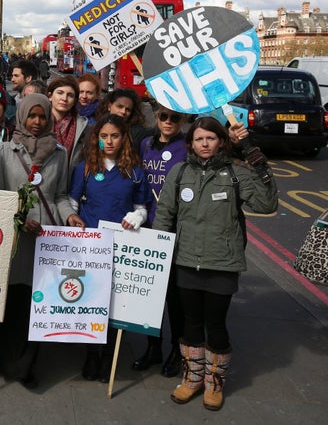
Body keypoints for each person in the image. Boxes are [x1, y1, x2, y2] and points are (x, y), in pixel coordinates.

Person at [153, 116, 277, 411]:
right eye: (199, 139)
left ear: (221, 141)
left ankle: (214, 384)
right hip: (185, 261)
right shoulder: (180, 172)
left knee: (216, 325)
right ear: (191, 143)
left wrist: (255, 158)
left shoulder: (236, 173)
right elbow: (164, 214)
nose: (204, 144)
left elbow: (266, 204)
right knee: (190, 324)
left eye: (210, 138)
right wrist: (159, 252)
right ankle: (192, 379)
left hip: (222, 263)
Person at [0, 93, 82, 387]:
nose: (37, 122)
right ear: (22, 116)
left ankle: (26, 366)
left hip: (47, 239)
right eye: (32, 115)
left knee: (38, 305)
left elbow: (60, 195)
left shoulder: (59, 152)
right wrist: (18, 217)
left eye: (42, 117)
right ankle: (6, 361)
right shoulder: (5, 151)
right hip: (17, 241)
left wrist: (69, 215)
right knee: (13, 304)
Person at [68, 113, 150, 383]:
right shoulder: (85, 169)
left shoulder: (135, 171)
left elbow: (142, 208)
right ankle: (92, 353)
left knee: (115, 305)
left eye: (115, 135)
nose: (109, 141)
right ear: (97, 139)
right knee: (93, 302)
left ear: (124, 137)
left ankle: (108, 357)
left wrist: (138, 217)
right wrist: (73, 221)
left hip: (122, 247)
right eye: (104, 136)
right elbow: (72, 205)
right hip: (91, 247)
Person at [131, 106, 188, 378]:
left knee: (175, 298)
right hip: (146, 227)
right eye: (163, 117)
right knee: (150, 296)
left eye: (174, 118)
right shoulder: (145, 143)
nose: (168, 122)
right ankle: (153, 348)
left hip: (175, 231)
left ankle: (177, 351)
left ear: (183, 120)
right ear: (156, 117)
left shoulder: (187, 146)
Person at [47, 75, 89, 169]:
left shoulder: (83, 126)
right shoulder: (40, 122)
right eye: (60, 93)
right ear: (50, 96)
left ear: (74, 101)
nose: (64, 98)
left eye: (70, 95)